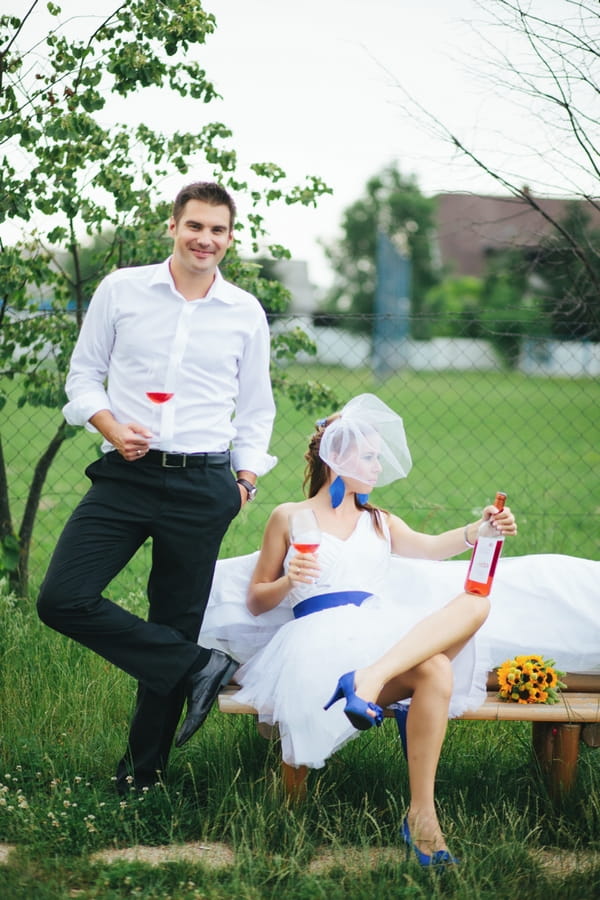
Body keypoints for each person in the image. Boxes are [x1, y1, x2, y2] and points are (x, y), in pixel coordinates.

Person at [37, 181, 277, 794]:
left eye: (218, 230)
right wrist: (113, 426)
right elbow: (84, 376)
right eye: (195, 226)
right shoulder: (122, 290)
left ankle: (144, 777)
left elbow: (255, 408)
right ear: (173, 226)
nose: (206, 239)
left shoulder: (244, 311)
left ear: (229, 237)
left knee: (173, 622)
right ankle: (200, 668)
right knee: (62, 599)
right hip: (125, 477)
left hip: (204, 484)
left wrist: (245, 479)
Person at [231, 394, 517, 866]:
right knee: (436, 670)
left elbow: (430, 548)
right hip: (317, 642)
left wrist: (481, 529)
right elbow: (257, 599)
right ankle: (417, 810)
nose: (379, 467)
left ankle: (420, 811)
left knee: (474, 606)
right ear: (337, 459)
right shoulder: (289, 517)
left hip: (376, 641)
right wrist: (289, 579)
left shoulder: (379, 521)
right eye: (370, 457)